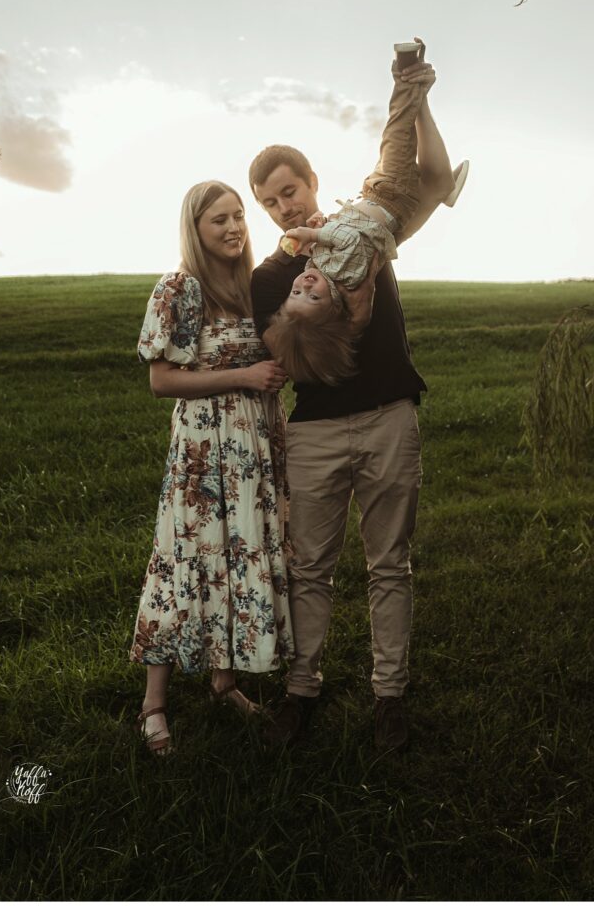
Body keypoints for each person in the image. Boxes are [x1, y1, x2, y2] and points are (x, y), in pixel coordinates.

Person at [249, 38, 463, 751]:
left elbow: (423, 178)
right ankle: (302, 690)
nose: (284, 205)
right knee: (309, 567)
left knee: (388, 563)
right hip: (314, 433)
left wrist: (417, 95)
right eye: (270, 200)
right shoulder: (270, 279)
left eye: (291, 190)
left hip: (389, 417)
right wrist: (344, 309)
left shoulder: (360, 232)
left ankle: (388, 697)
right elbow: (296, 365)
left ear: (312, 181)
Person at [129, 180, 295, 756]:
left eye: (238, 217)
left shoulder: (252, 290)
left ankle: (225, 682)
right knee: (186, 561)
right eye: (217, 220)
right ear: (195, 230)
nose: (233, 228)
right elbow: (161, 380)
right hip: (203, 456)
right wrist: (244, 378)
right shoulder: (181, 288)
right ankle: (154, 705)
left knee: (237, 556)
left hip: (253, 451)